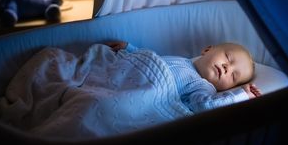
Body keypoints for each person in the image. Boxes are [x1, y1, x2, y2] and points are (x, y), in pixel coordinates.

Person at [106, 41, 262, 113]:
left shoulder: (203, 87)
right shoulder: (183, 60)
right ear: (207, 50)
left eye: (234, 76)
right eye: (228, 58)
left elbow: (205, 106)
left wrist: (241, 95)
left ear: (229, 87)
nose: (227, 68)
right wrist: (130, 49)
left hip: (142, 94)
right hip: (131, 74)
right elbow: (155, 61)